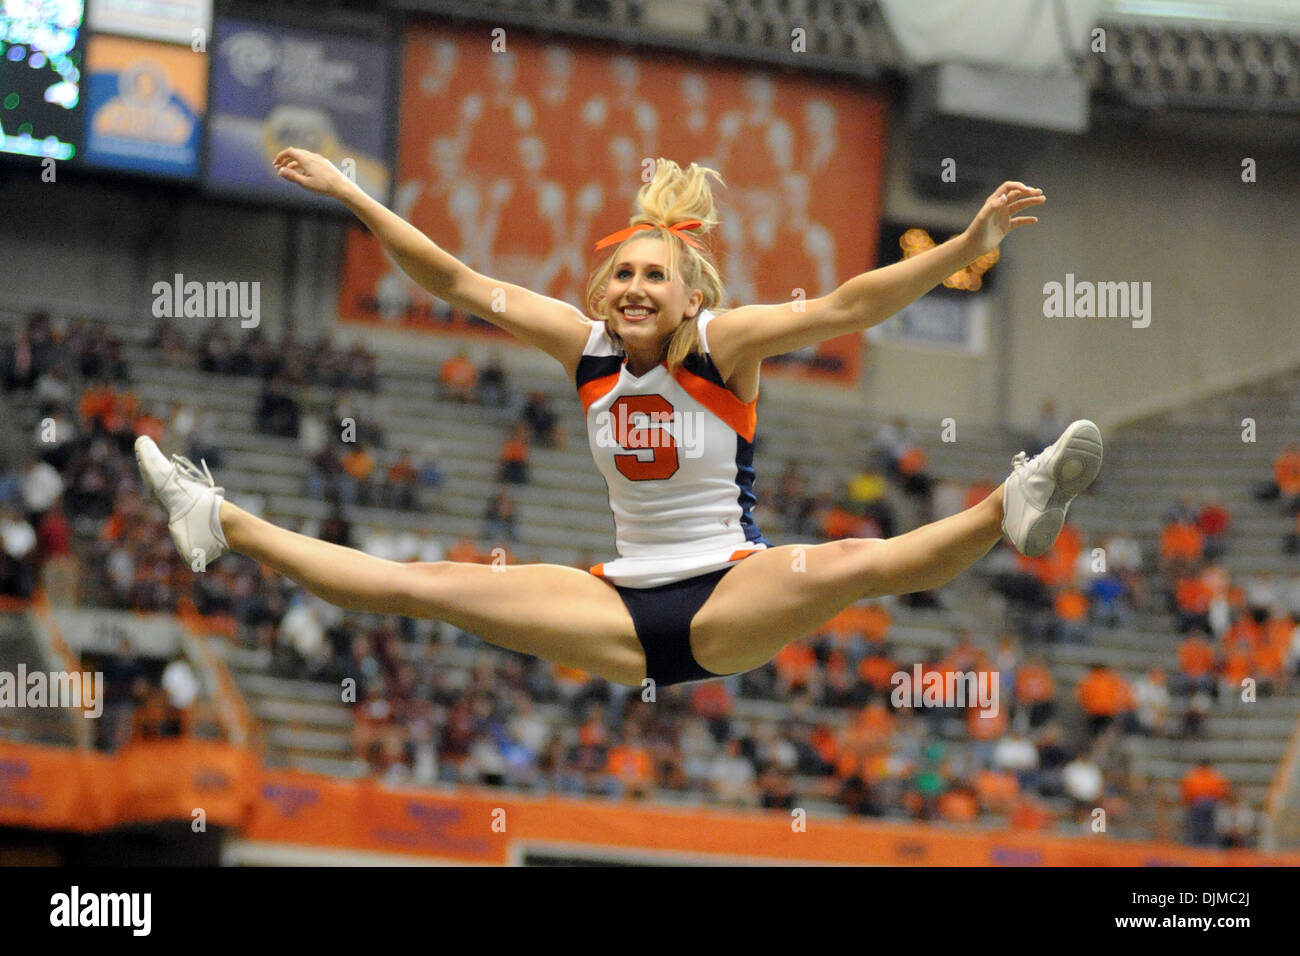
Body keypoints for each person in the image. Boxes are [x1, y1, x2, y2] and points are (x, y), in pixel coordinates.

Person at [134, 148, 1102, 693]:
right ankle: (217, 522)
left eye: (655, 276)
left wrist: (964, 246)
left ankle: (1009, 505)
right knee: (417, 585)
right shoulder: (582, 342)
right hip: (617, 603)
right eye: (624, 274)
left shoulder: (729, 345)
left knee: (855, 562)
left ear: (688, 297)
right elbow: (456, 280)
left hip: (727, 588)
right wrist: (353, 194)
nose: (636, 286)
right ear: (605, 288)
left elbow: (847, 305)